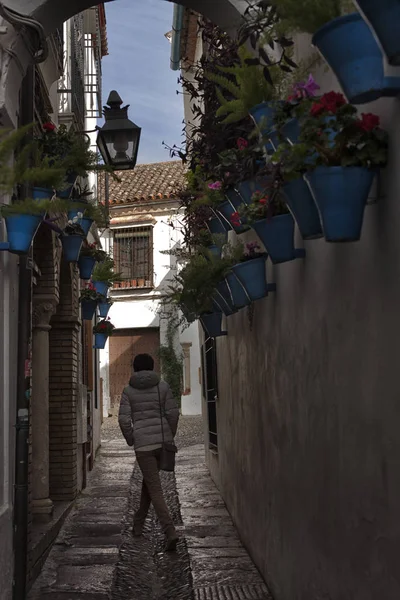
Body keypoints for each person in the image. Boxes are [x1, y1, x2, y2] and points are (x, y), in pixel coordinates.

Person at [118, 353, 180, 551]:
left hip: (143, 446)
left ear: (135, 368)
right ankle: (138, 523)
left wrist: (131, 439)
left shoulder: (128, 391)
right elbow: (172, 413)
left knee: (154, 487)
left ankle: (170, 531)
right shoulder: (163, 386)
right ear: (152, 367)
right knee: (150, 482)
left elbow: (123, 420)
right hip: (162, 443)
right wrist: (170, 434)